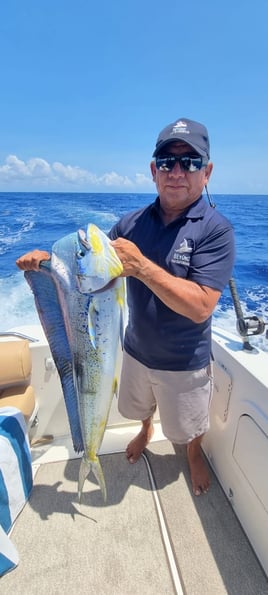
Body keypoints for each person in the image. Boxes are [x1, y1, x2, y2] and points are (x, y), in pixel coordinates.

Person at [16, 117, 235, 496]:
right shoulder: (130, 224)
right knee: (139, 408)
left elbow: (201, 307)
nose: (177, 172)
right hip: (133, 350)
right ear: (154, 171)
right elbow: (92, 271)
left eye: (191, 162)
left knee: (187, 429)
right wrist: (49, 265)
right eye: (167, 162)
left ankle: (193, 453)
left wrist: (142, 267)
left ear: (207, 172)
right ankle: (146, 430)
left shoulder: (216, 230)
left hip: (185, 361)